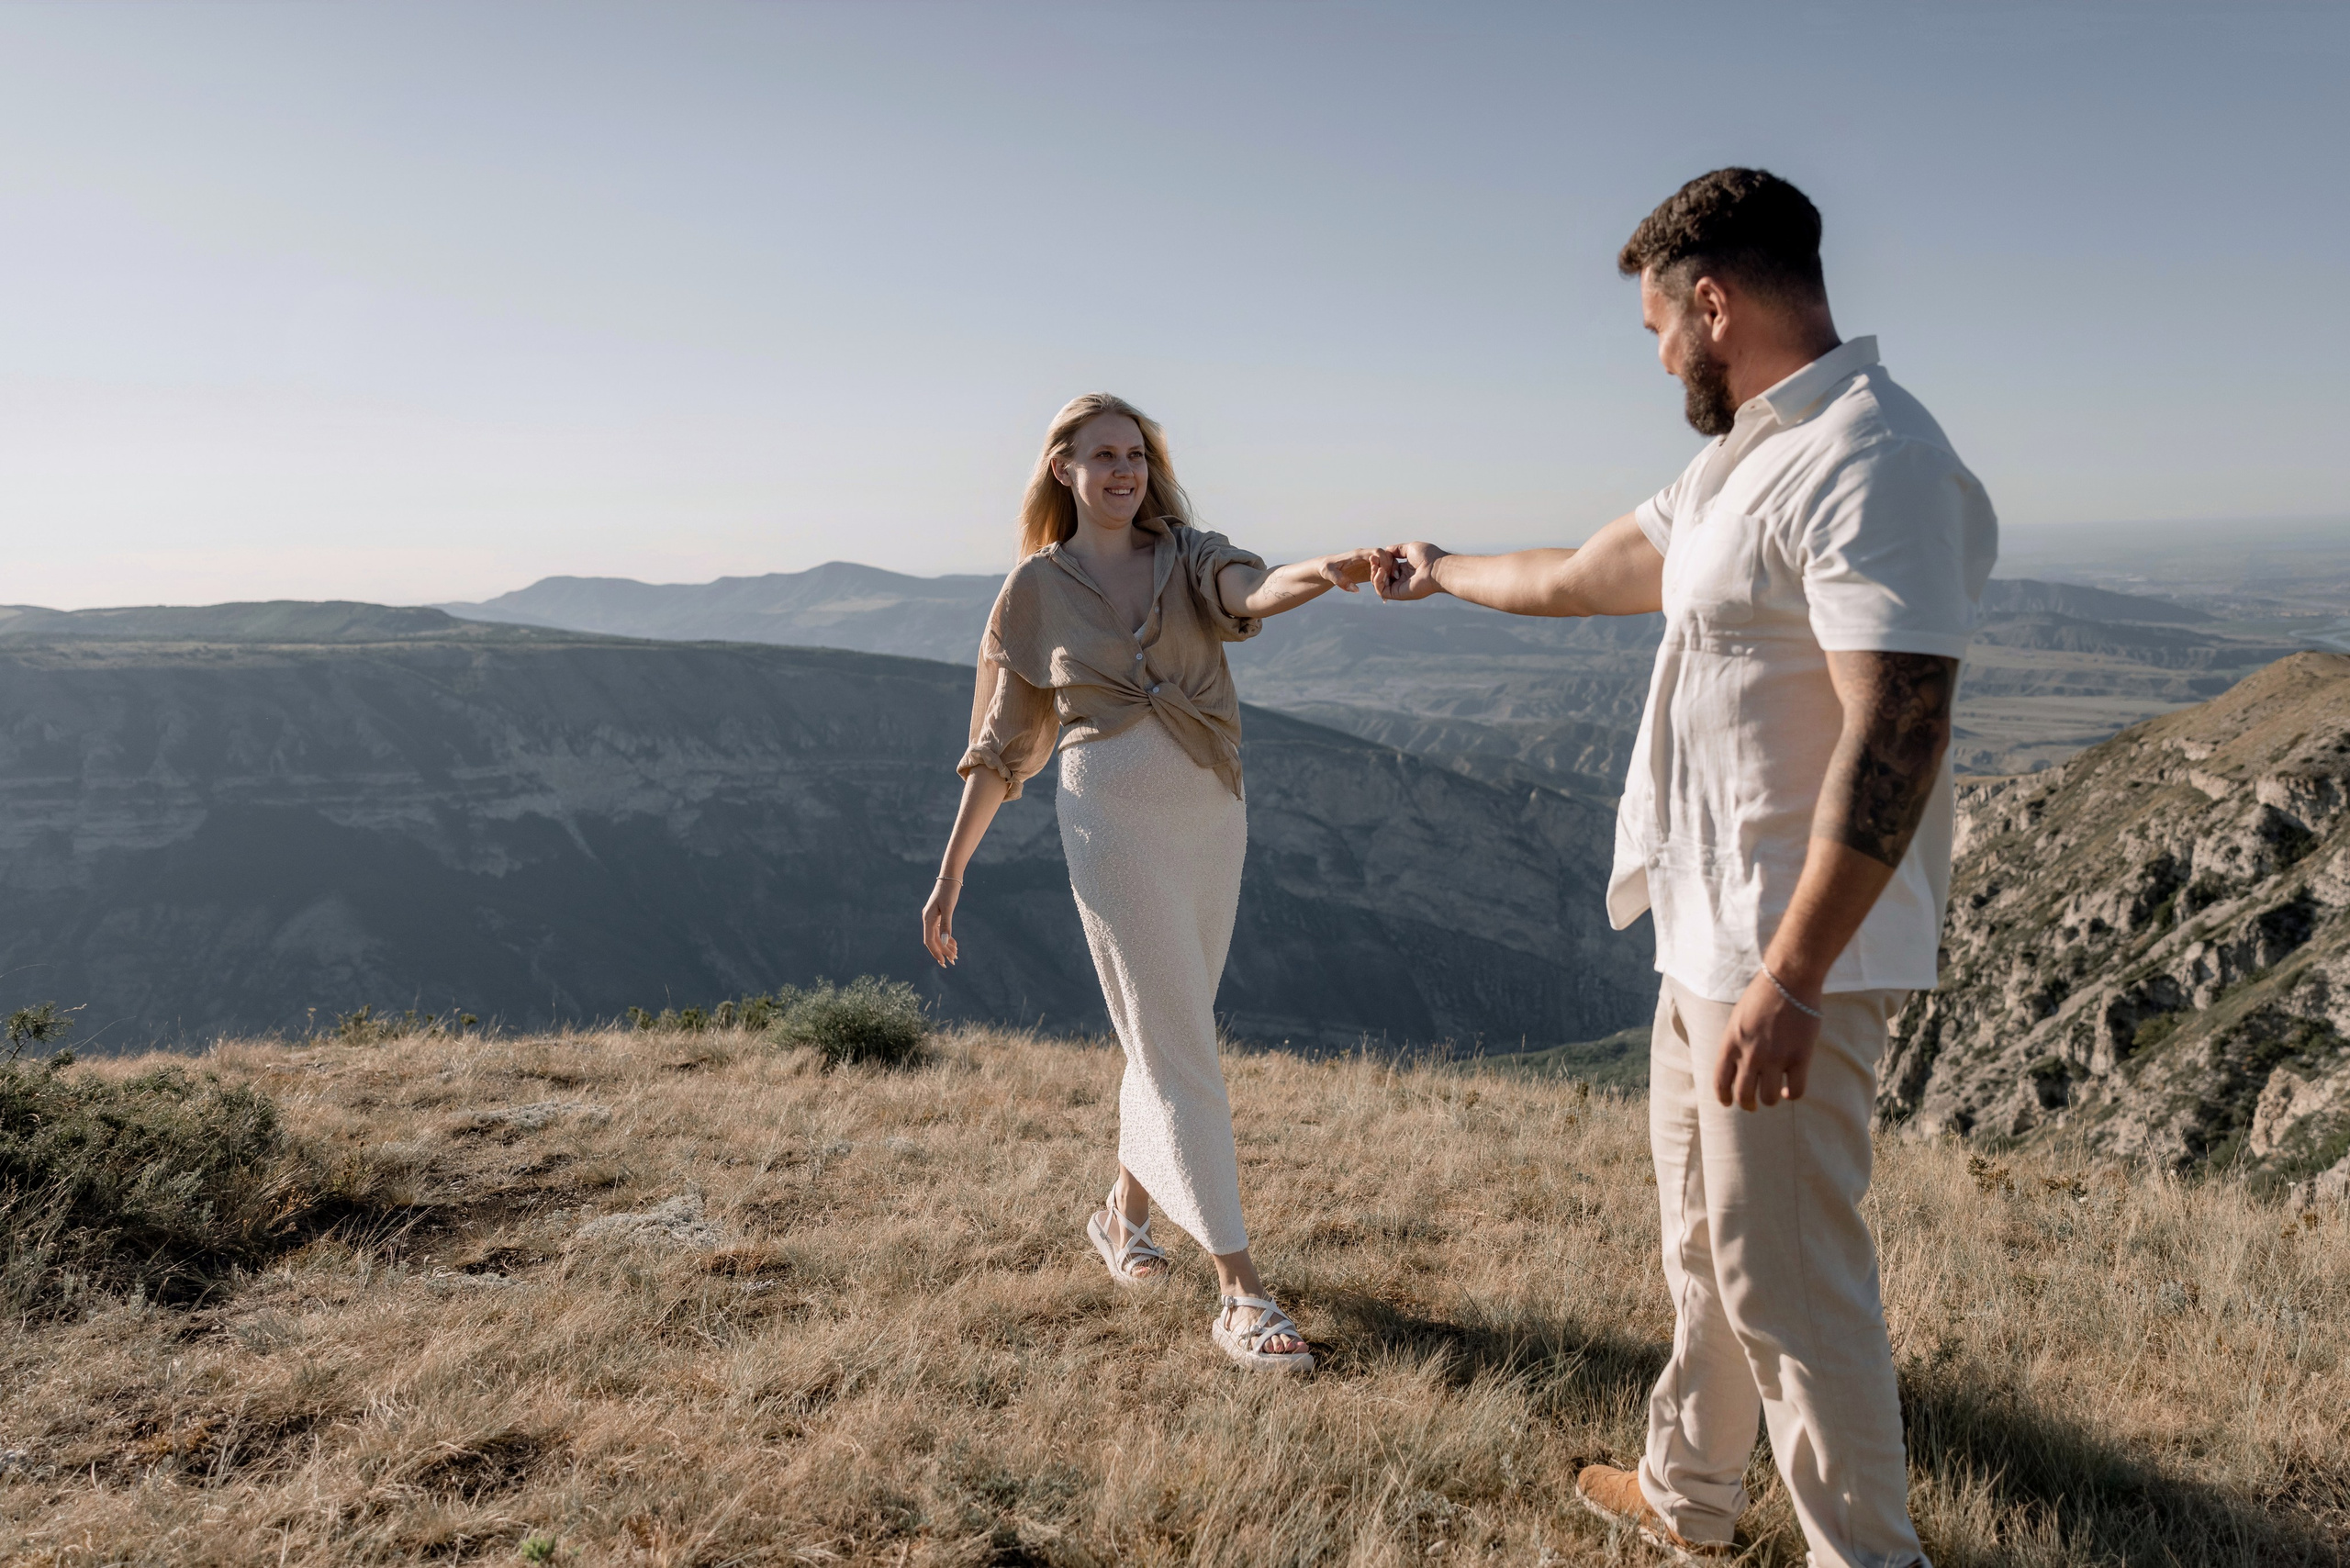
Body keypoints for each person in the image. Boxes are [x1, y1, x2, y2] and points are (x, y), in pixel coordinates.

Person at [1376, 168, 1994, 1566]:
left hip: (1785, 951)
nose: (1660, 358)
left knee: (1789, 1282)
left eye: (1660, 329)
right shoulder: (1744, 457)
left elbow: (1901, 721)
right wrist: (1442, 564)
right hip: (1704, 931)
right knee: (1707, 1252)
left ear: (1710, 303)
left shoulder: (1870, 456)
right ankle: (1686, 1499)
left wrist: (1794, 974)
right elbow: (1590, 570)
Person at [923, 391, 1382, 1373]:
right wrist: (949, 872)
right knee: (1178, 1040)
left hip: (1211, 813)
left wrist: (1327, 571)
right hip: (1109, 820)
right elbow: (1001, 748)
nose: (1123, 471)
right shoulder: (1034, 589)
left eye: (1135, 454)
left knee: (1162, 1029)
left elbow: (1251, 592)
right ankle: (1241, 1293)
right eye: (1102, 456)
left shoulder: (1188, 552)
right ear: (1065, 471)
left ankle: (1122, 1217)